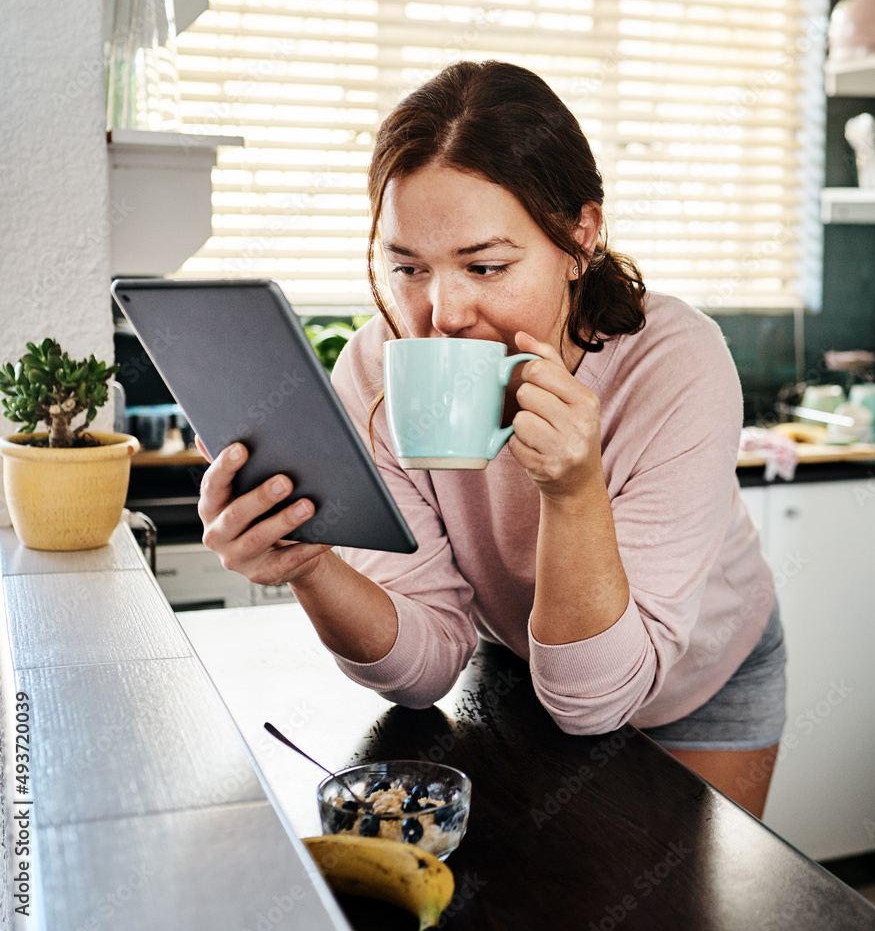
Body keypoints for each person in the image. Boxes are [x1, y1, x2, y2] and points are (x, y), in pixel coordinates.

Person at [196, 60, 786, 819]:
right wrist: (311, 566)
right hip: (524, 670)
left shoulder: (674, 363)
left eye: (486, 266)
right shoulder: (377, 368)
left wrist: (573, 493)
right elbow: (426, 664)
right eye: (407, 266)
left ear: (580, 237)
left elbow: (593, 703)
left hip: (703, 684)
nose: (441, 312)